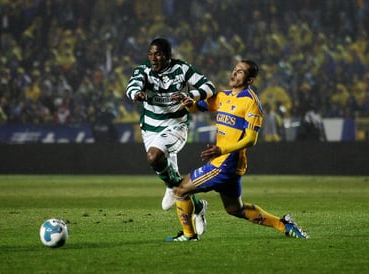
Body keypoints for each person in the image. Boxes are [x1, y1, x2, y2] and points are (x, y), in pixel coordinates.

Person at [166, 60, 309, 241]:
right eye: (234, 70)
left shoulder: (251, 103)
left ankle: (189, 235)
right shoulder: (222, 96)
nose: (234, 74)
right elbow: (196, 108)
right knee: (235, 209)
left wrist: (221, 149)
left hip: (225, 164)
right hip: (227, 165)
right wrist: (187, 101)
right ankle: (283, 224)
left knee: (180, 190)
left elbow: (251, 139)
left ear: (250, 80)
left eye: (240, 72)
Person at [125, 38, 216, 235]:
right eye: (150, 53)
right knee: (175, 184)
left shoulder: (181, 69)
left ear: (168, 55)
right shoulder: (144, 70)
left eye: (157, 54)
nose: (153, 58)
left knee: (153, 156)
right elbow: (132, 86)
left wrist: (192, 96)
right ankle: (198, 207)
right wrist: (136, 94)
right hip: (150, 129)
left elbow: (209, 87)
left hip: (176, 127)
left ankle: (171, 186)